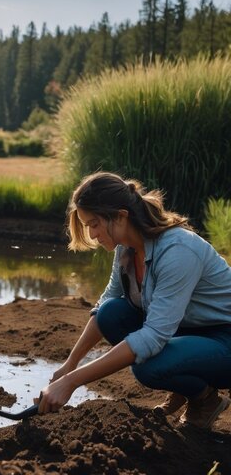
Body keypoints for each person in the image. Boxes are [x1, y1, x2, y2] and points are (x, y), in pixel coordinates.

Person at [37, 172, 231, 429]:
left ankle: (203, 398)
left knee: (148, 367)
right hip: (186, 331)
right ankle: (184, 384)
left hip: (223, 339)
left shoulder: (178, 251)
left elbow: (153, 336)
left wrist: (72, 381)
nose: (92, 235)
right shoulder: (126, 247)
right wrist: (68, 365)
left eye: (94, 224)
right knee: (110, 313)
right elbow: (107, 300)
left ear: (120, 216)